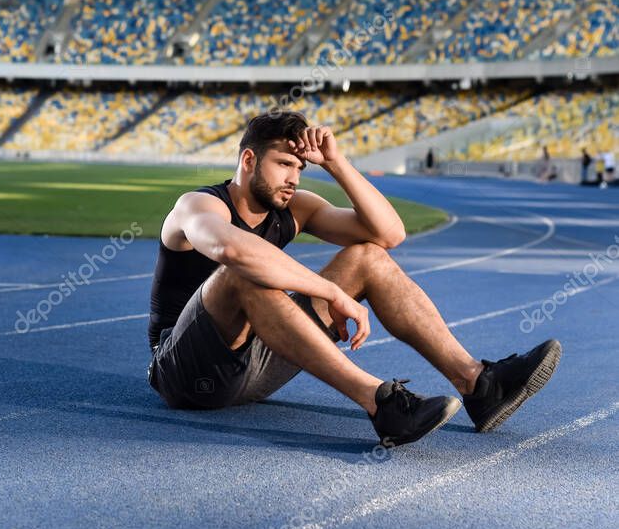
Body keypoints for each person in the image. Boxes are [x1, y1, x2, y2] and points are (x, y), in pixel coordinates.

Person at [147, 111, 561, 448]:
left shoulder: (294, 208)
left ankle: (479, 385)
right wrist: (328, 291)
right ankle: (382, 405)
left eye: (301, 167)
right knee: (242, 274)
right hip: (185, 375)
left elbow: (388, 235)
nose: (294, 177)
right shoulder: (198, 205)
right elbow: (233, 251)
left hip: (255, 364)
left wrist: (337, 164)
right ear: (249, 160)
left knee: (368, 257)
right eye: (284, 164)